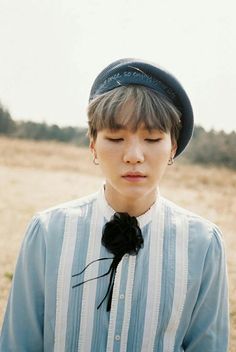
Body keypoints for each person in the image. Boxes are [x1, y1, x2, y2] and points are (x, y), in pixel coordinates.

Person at [0, 58, 229, 352]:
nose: (134, 155)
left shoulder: (203, 243)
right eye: (116, 138)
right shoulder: (47, 232)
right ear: (93, 144)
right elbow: (18, 343)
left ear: (172, 147)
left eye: (152, 138)